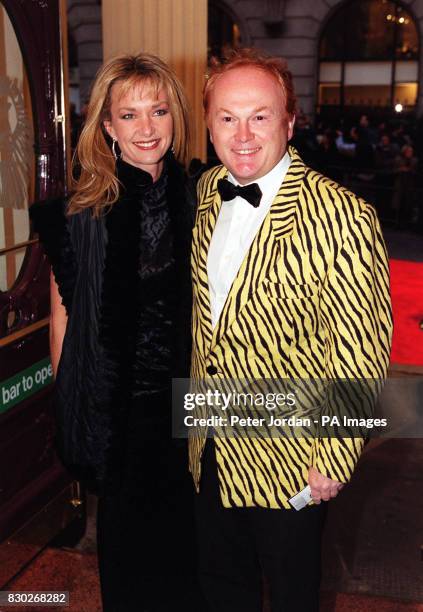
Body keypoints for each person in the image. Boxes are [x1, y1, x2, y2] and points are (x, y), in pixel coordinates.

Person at [189, 48, 393, 612]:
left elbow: (362, 349)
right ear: (209, 125)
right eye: (227, 117)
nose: (244, 134)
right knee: (219, 588)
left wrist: (335, 451)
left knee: (292, 596)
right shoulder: (208, 193)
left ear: (290, 120)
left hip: (292, 461)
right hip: (209, 446)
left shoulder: (342, 214)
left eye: (260, 115)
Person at [30, 53, 200, 612]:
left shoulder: (202, 198)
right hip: (122, 416)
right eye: (128, 115)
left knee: (195, 562)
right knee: (130, 564)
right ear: (106, 126)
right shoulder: (81, 215)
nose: (146, 128)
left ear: (175, 115)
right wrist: (74, 402)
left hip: (197, 415)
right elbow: (65, 318)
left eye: (157, 110)